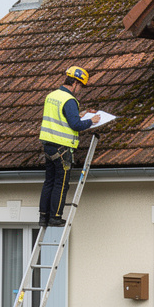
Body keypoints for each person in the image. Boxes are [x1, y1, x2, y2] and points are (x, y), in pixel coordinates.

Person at [39, 66, 100, 227]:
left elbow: (61, 118)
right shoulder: (69, 100)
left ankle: (44, 216)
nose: (80, 90)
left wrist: (82, 114)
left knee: (49, 182)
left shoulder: (52, 96)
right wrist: (91, 121)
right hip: (62, 148)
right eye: (81, 86)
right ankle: (56, 216)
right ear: (75, 82)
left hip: (48, 146)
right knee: (61, 183)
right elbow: (75, 125)